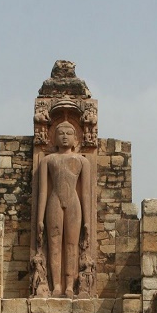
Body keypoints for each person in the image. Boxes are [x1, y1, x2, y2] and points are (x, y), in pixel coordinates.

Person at [36, 120, 91, 297]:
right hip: (54, 201)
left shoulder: (82, 161)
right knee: (54, 243)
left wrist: (88, 221)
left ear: (76, 138)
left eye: (69, 133)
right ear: (54, 137)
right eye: (61, 133)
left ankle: (70, 285)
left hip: (74, 202)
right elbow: (43, 192)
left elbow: (86, 194)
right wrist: (39, 218)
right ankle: (56, 285)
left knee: (72, 244)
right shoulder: (48, 160)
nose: (65, 137)